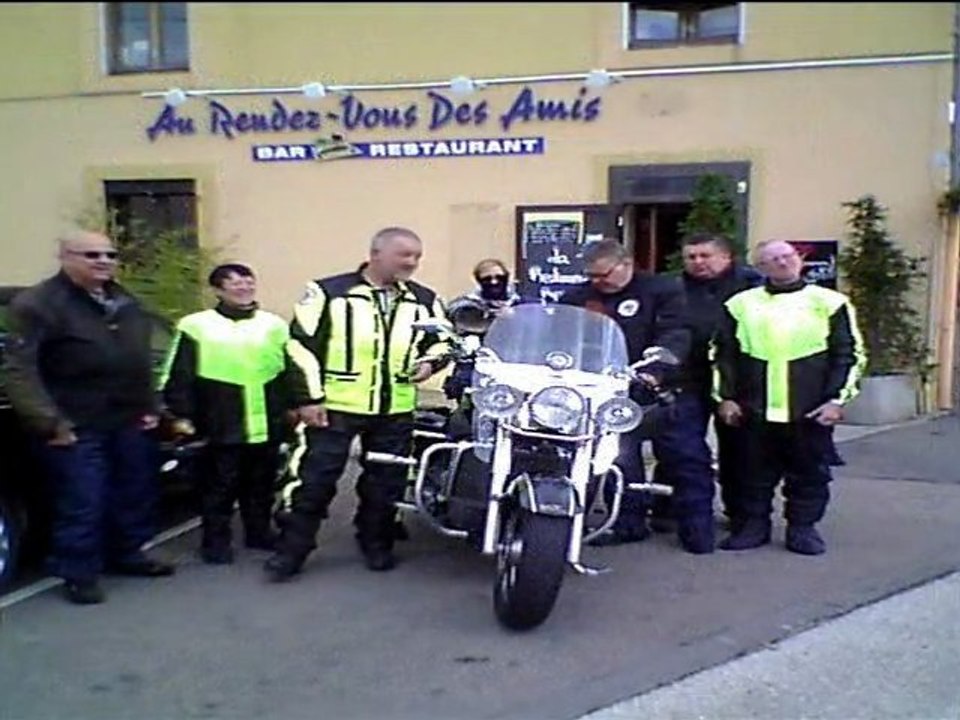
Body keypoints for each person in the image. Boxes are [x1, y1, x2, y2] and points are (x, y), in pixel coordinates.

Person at [265, 227, 449, 579]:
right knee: (313, 481)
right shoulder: (329, 292)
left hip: (395, 409)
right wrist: (308, 398)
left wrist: (430, 363)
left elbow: (442, 341)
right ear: (376, 254)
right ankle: (291, 551)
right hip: (334, 407)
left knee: (386, 484)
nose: (412, 262)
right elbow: (299, 346)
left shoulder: (425, 299)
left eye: (417, 256)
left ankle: (376, 543)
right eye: (404, 255)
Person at [3, 230, 174, 605]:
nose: (104, 261)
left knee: (133, 492)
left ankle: (128, 553)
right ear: (65, 257)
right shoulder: (38, 304)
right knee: (83, 499)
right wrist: (49, 422)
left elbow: (139, 359)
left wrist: (149, 407)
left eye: (110, 255)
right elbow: (19, 370)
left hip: (127, 418)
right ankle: (78, 571)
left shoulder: (123, 299)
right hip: (74, 422)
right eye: (92, 255)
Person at [714, 240, 867, 555]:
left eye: (788, 256)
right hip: (754, 409)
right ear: (761, 268)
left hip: (809, 409)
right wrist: (725, 398)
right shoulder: (740, 304)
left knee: (809, 474)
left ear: (799, 259)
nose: (783, 263)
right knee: (751, 473)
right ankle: (753, 527)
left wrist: (837, 400)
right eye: (773, 259)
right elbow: (722, 355)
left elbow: (849, 355)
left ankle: (803, 528)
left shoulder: (830, 302)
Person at [560, 239, 689, 546]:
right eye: (592, 276)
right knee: (577, 449)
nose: (597, 282)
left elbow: (675, 333)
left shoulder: (660, 290)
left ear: (626, 264)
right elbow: (561, 333)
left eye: (603, 275)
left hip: (638, 385)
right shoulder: (577, 296)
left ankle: (632, 522)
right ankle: (568, 515)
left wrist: (655, 370)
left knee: (623, 452)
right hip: (586, 385)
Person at [161, 263, 292, 565]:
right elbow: (178, 373)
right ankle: (215, 543)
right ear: (218, 290)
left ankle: (259, 533)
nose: (244, 288)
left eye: (248, 281)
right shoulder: (196, 325)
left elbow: (290, 367)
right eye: (234, 283)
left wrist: (295, 405)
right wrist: (181, 415)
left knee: (261, 484)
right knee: (219, 486)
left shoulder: (273, 324)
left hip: (267, 419)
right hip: (221, 419)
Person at [648, 233, 764, 552]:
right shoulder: (670, 287)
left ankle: (740, 515)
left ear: (726, 256)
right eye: (691, 257)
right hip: (686, 377)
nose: (698, 262)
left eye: (705, 256)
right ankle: (667, 508)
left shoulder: (753, 286)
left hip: (737, 382)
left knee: (739, 451)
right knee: (679, 449)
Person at [442, 258, 527, 402]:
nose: (494, 282)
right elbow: (459, 316)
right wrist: (492, 315)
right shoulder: (467, 303)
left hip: (515, 365)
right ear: (478, 281)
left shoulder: (521, 302)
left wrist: (515, 315)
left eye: (499, 277)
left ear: (507, 277)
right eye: (487, 279)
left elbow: (539, 319)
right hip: (477, 368)